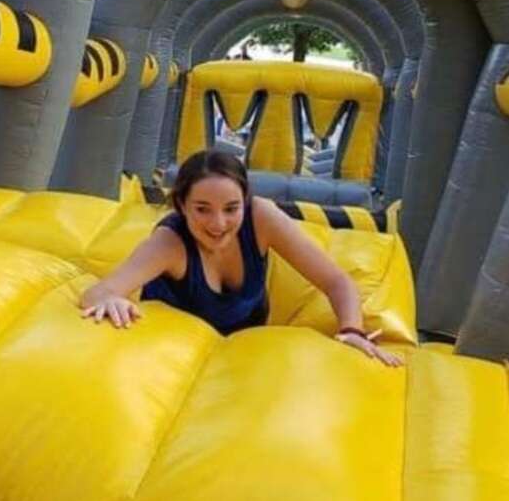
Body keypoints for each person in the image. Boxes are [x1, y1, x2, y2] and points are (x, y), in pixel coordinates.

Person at [80, 150, 402, 366]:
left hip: (244, 357)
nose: (218, 225)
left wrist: (351, 331)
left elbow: (336, 281)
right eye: (202, 209)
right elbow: (97, 293)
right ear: (181, 205)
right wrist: (113, 300)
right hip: (173, 358)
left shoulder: (262, 217)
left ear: (245, 202)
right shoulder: (170, 242)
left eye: (231, 209)